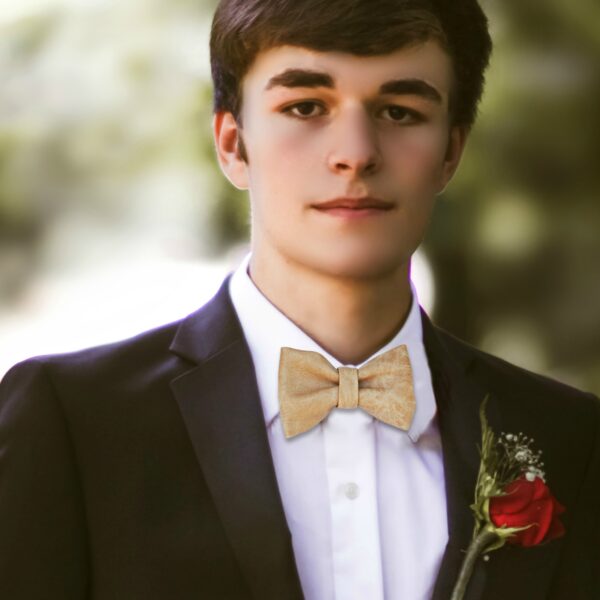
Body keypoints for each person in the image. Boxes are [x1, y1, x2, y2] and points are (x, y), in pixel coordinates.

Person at [0, 0, 598, 598]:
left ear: (450, 152)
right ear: (234, 144)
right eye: (305, 107)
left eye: (399, 111)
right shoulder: (73, 423)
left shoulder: (573, 439)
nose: (355, 152)